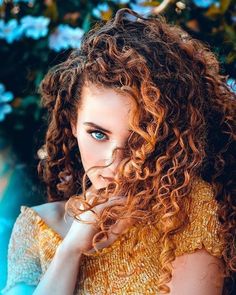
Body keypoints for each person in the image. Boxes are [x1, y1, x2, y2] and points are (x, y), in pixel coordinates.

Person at [2, 8, 235, 295]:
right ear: (73, 124)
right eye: (98, 134)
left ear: (164, 137)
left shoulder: (187, 211)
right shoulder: (36, 227)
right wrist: (71, 249)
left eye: (138, 139)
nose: (117, 162)